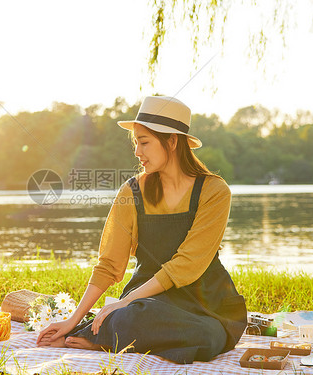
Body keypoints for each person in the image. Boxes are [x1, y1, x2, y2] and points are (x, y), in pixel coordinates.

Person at [37, 96, 247, 364]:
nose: (137, 152)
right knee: (134, 315)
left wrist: (125, 301)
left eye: (144, 142)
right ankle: (104, 333)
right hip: (148, 303)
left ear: (172, 141)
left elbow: (188, 264)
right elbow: (109, 265)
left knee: (208, 335)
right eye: (136, 142)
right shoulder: (132, 191)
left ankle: (108, 338)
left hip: (205, 304)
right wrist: (72, 319)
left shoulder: (214, 191)